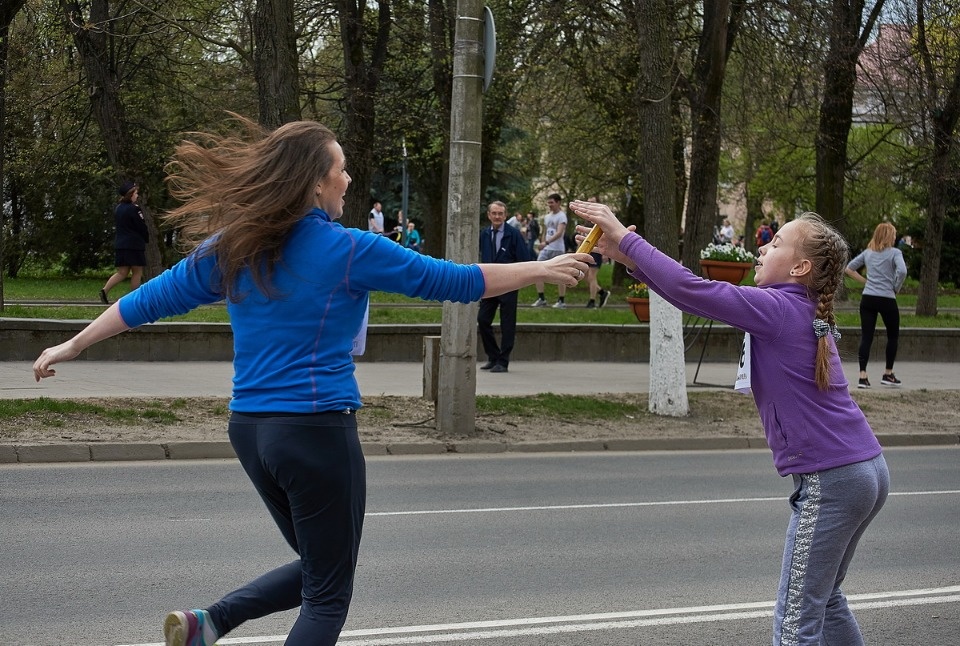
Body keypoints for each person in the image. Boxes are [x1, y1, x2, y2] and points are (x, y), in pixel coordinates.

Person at [32, 118, 591, 646]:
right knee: (328, 594)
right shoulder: (348, 249)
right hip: (315, 430)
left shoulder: (237, 246)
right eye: (340, 168)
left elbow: (145, 301)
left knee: (322, 564)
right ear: (316, 180)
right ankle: (214, 621)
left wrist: (73, 344)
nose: (348, 178)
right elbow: (455, 280)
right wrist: (542, 268)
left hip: (251, 432)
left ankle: (209, 623)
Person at [570, 200, 889, 646]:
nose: (761, 247)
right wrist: (626, 258)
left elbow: (694, 290)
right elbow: (687, 290)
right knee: (826, 600)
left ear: (799, 267)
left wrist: (627, 239)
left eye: (774, 243)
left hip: (832, 480)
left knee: (795, 625)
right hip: (866, 469)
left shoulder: (778, 308)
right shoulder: (801, 308)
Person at [844, 222, 907, 388]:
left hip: (868, 299)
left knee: (867, 336)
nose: (895, 237)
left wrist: (866, 282)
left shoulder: (868, 253)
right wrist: (896, 287)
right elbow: (902, 271)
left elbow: (849, 269)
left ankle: (862, 376)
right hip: (887, 298)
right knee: (893, 336)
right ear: (888, 236)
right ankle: (888, 374)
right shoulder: (895, 253)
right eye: (893, 234)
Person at [478, 201, 532, 373]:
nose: (497, 216)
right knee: (483, 319)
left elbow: (524, 259)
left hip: (509, 283)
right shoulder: (485, 234)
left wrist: (517, 278)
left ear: (505, 215)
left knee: (507, 322)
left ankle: (503, 360)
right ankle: (493, 356)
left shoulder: (513, 234)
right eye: (494, 213)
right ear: (489, 215)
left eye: (500, 213)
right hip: (489, 283)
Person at [99, 181, 149, 304]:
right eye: (136, 193)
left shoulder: (118, 208)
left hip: (121, 244)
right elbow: (141, 226)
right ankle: (134, 298)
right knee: (137, 272)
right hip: (134, 245)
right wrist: (146, 237)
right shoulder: (134, 209)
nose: (137, 195)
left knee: (122, 272)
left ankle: (105, 290)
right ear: (131, 194)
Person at [531, 193, 569, 308]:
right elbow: (545, 232)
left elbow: (559, 233)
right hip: (546, 248)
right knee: (536, 270)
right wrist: (542, 243)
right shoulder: (547, 217)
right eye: (548, 203)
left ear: (558, 203)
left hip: (557, 248)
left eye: (552, 202)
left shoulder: (562, 216)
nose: (550, 205)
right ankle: (541, 298)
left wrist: (546, 242)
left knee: (561, 274)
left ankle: (561, 300)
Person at [584, 197, 609, 309]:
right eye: (588, 203)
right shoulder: (585, 218)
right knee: (585, 277)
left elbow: (606, 236)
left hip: (597, 251)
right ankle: (602, 293)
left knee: (592, 276)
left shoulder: (600, 218)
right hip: (586, 250)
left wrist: (605, 254)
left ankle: (592, 301)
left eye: (592, 203)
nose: (589, 205)